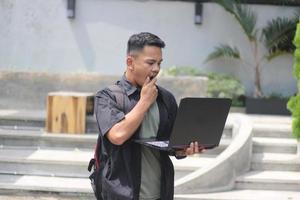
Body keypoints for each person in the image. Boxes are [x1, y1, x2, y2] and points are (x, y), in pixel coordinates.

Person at [94, 32, 203, 200]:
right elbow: (117, 135)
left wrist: (183, 149)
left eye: (159, 63)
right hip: (121, 194)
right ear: (130, 62)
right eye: (150, 63)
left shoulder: (166, 98)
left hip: (161, 193)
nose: (156, 69)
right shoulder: (107, 97)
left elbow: (171, 143)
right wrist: (144, 102)